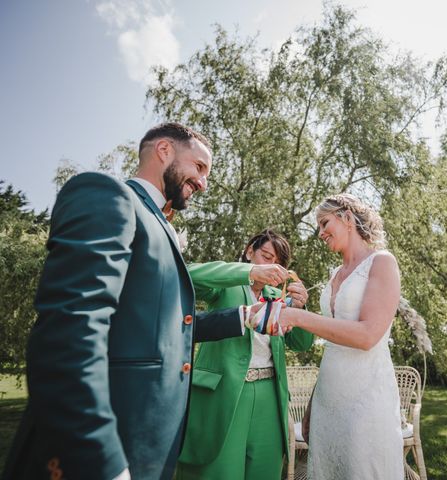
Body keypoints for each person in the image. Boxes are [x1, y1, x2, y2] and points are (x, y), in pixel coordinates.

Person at [1, 123, 278, 480]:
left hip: (149, 450)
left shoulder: (158, 222)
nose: (203, 182)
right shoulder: (108, 196)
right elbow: (70, 334)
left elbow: (170, 330)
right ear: (164, 150)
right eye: (199, 167)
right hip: (100, 449)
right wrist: (103, 459)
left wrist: (243, 316)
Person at [279, 193, 404, 480]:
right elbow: (333, 343)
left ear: (347, 217)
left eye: (325, 223)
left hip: (365, 397)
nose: (320, 233)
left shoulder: (381, 262)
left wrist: (299, 317)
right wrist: (313, 401)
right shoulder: (336, 273)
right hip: (328, 398)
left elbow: (367, 335)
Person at [176, 229, 314, 480]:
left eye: (279, 263)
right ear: (250, 251)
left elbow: (302, 343)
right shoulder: (227, 285)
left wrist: (301, 307)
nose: (272, 266)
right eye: (266, 256)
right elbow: (188, 275)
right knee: (218, 472)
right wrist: (249, 272)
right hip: (225, 394)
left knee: (264, 471)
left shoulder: (278, 297)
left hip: (269, 397)